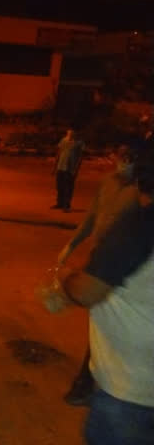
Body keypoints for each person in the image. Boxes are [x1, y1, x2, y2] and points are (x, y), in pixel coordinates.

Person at [40, 144, 154, 445]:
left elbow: (90, 290)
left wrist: (63, 287)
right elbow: (91, 219)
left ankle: (81, 387)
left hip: (132, 391)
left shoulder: (140, 226)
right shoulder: (114, 195)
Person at [55, 144, 139, 406]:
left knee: (107, 323)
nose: (123, 163)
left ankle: (86, 382)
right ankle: (91, 380)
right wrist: (72, 244)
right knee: (100, 322)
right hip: (100, 262)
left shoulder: (141, 192)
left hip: (122, 268)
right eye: (121, 157)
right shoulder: (108, 183)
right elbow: (92, 218)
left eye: (130, 159)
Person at [52, 128, 85, 212]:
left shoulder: (80, 143)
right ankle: (60, 203)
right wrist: (54, 167)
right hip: (61, 166)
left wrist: (76, 169)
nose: (70, 133)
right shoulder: (63, 140)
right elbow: (58, 153)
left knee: (68, 187)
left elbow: (80, 157)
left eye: (73, 132)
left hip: (70, 168)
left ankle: (66, 205)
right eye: (69, 131)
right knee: (59, 186)